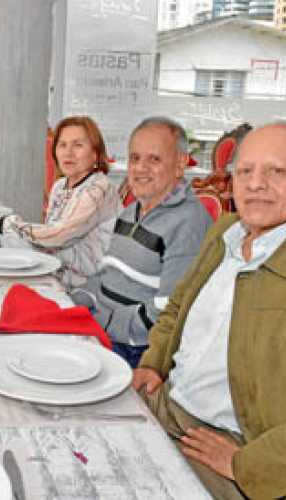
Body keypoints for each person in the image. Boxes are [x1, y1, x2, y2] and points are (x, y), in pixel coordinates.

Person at [133, 122, 286, 499]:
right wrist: (153, 362)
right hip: (168, 406)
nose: (255, 183)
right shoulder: (225, 232)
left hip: (239, 447)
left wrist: (247, 464)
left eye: (276, 171)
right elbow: (177, 306)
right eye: (245, 171)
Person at [72, 117, 212, 368]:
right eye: (135, 158)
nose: (140, 168)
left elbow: (169, 311)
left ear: (180, 164)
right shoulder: (131, 211)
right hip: (100, 327)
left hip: (134, 348)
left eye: (154, 159)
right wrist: (77, 300)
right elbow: (106, 275)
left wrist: (106, 326)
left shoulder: (188, 222)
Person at [0, 116, 120, 291]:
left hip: (85, 288)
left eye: (78, 145)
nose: (68, 152)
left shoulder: (99, 189)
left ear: (95, 153)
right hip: (57, 272)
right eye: (62, 145)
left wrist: (1, 224)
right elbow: (47, 242)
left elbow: (58, 235)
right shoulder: (60, 186)